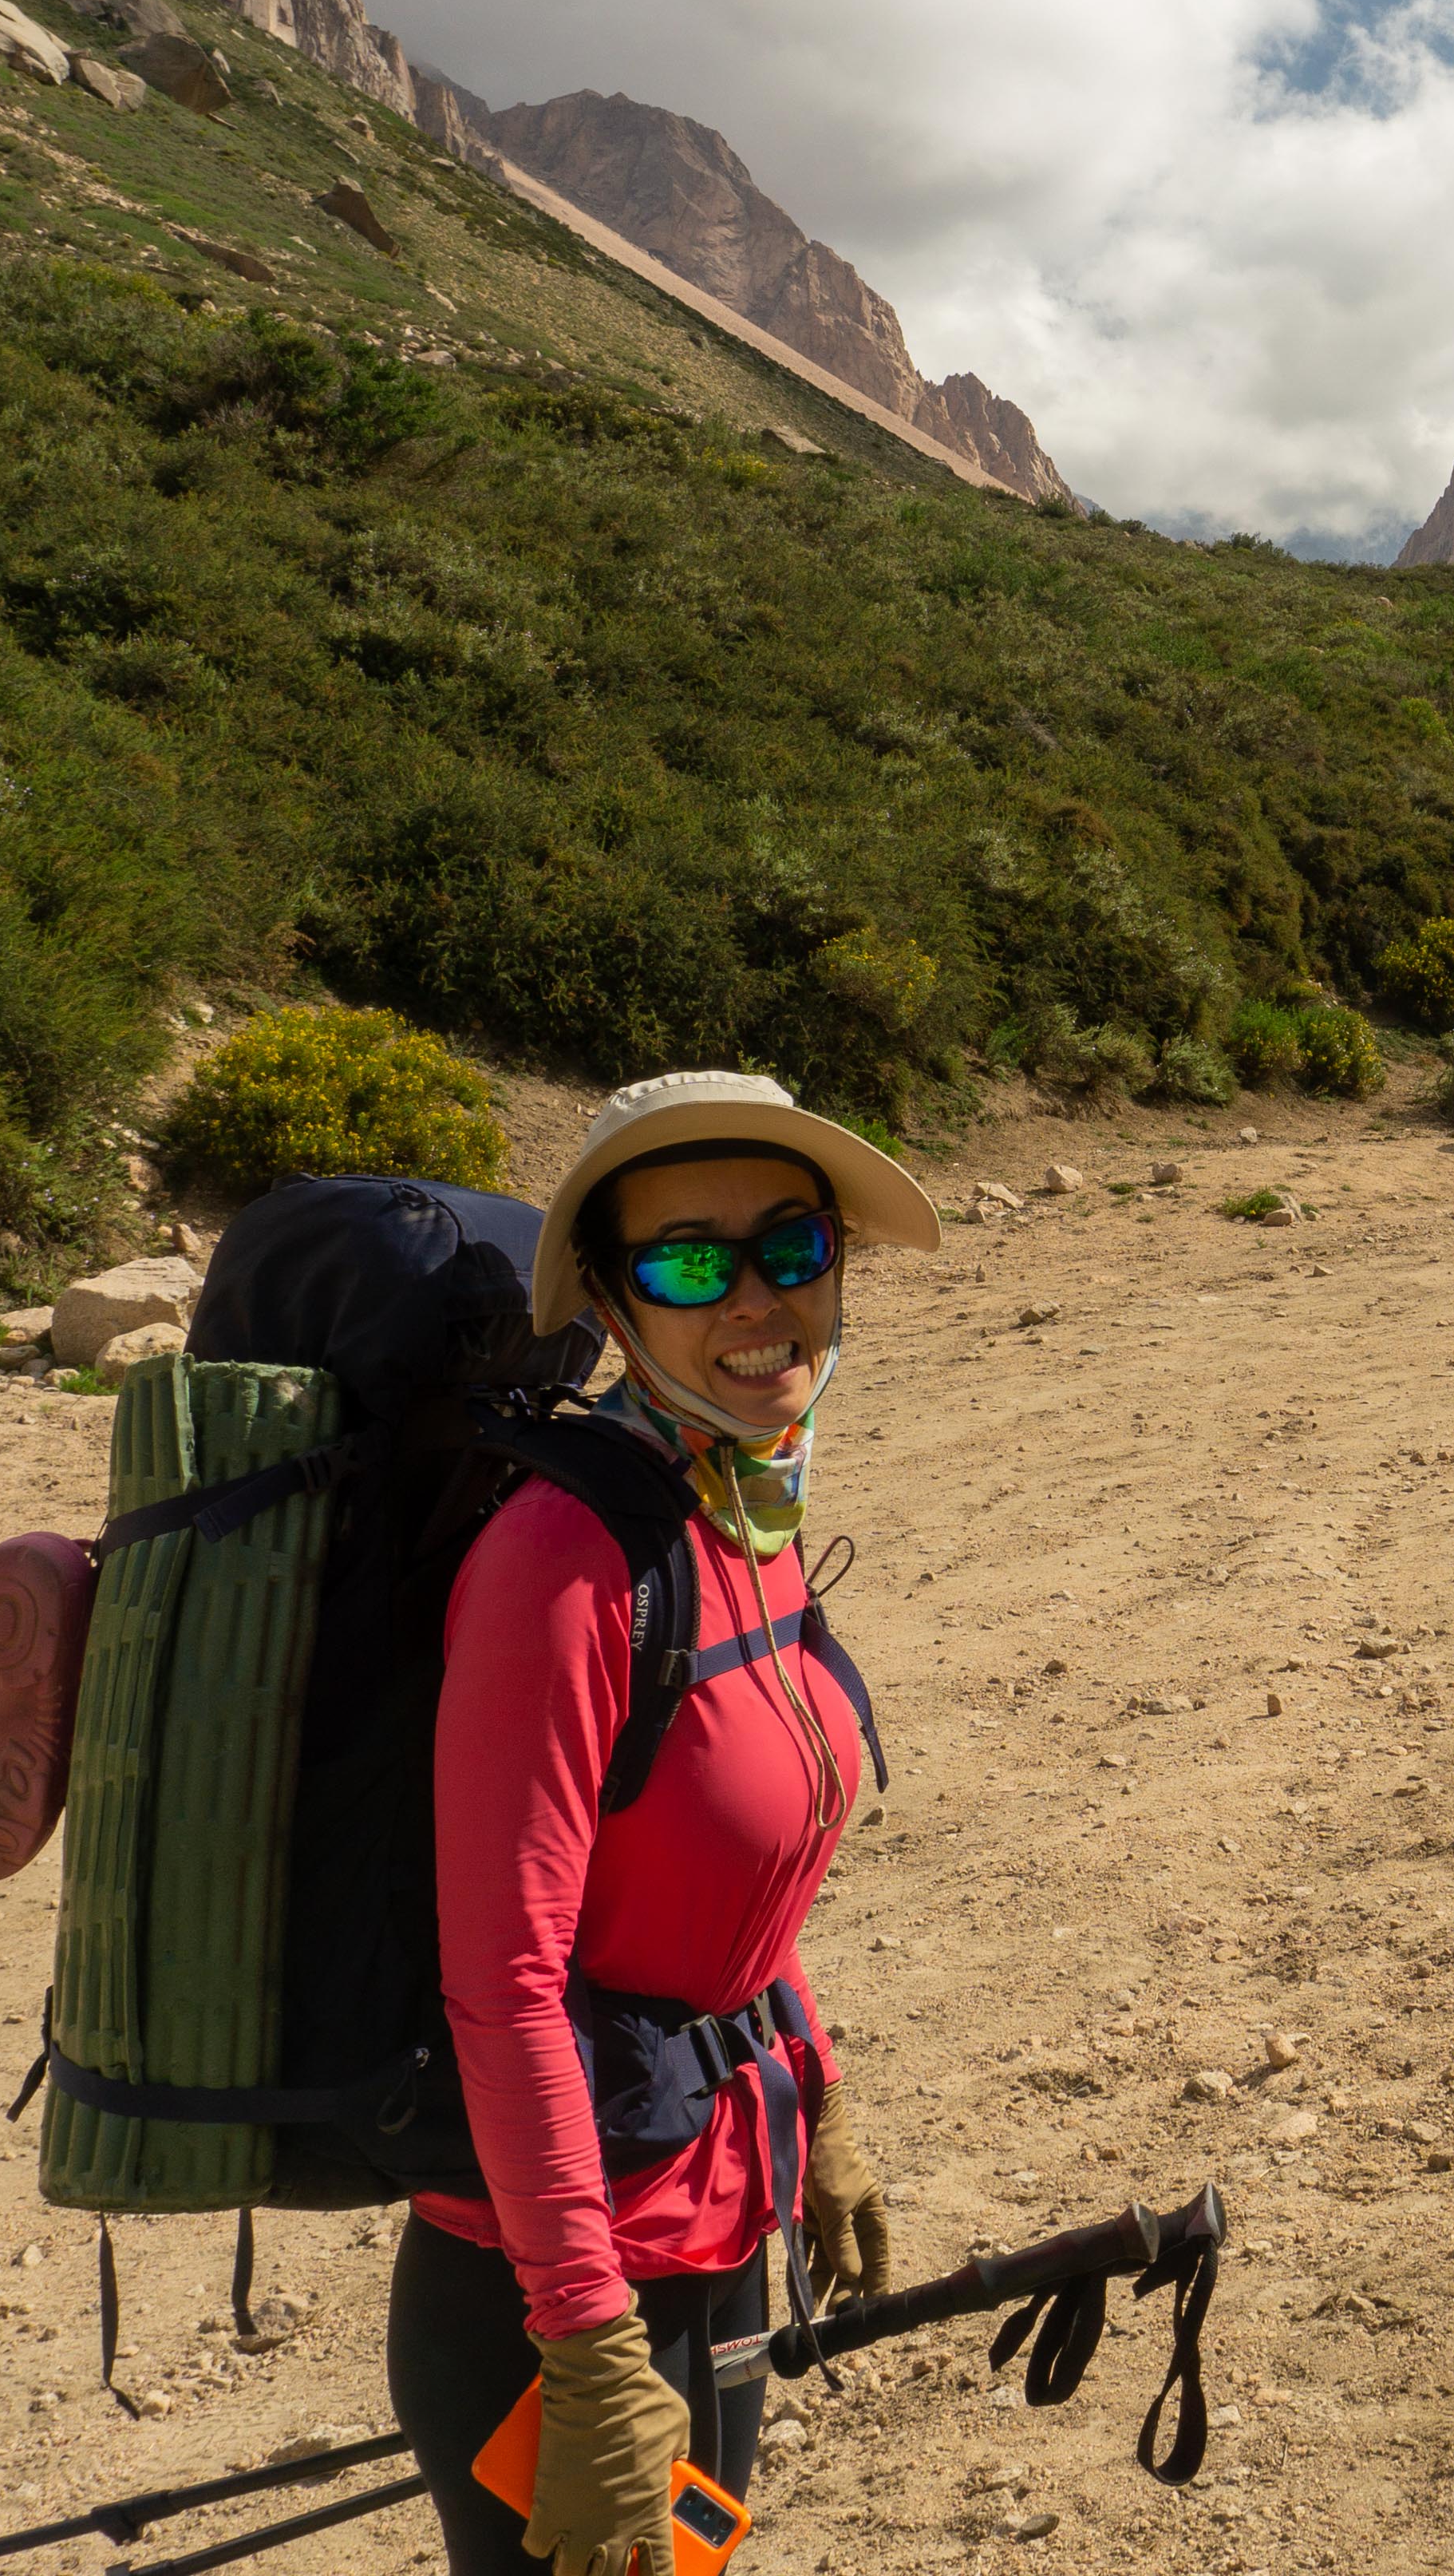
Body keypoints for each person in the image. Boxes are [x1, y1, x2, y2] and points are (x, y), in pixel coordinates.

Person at [384, 1070, 940, 2572]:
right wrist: (584, 2345)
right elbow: (505, 1983)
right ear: (614, 1304)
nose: (756, 1298)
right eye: (690, 1263)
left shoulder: (738, 1511)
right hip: (559, 2284)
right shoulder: (563, 1564)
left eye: (792, 1246)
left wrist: (819, 2105)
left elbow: (721, 1899)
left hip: (709, 2203)